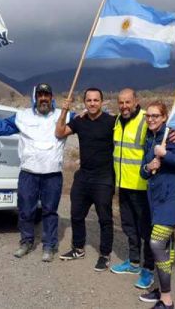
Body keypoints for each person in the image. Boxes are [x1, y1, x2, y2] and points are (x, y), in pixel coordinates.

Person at [0, 83, 69, 262]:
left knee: (50, 211)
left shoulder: (64, 115)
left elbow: (88, 122)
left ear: (52, 97)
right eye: (40, 95)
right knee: (25, 210)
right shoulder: (22, 116)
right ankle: (26, 242)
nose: (44, 98)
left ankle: (49, 246)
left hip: (52, 174)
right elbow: (1, 128)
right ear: (35, 97)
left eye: (47, 95)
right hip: (28, 173)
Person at [110, 88, 175, 289]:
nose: (124, 106)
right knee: (129, 227)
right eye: (121, 102)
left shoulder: (145, 118)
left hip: (143, 187)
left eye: (128, 102)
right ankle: (133, 262)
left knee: (146, 230)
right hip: (123, 184)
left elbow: (163, 129)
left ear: (136, 101)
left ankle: (148, 269)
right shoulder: (117, 120)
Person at [137, 101, 175, 309]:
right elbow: (144, 172)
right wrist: (148, 165)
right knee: (166, 246)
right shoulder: (149, 137)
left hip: (172, 199)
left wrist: (165, 155)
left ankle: (167, 300)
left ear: (164, 117)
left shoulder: (172, 136)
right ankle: (160, 290)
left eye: (155, 116)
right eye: (148, 116)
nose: (150, 119)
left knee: (156, 244)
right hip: (156, 200)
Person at [55, 88, 116, 272]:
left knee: (105, 219)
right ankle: (78, 248)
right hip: (83, 177)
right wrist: (64, 110)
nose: (92, 103)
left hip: (104, 178)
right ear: (84, 102)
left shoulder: (112, 121)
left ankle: (104, 255)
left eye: (96, 100)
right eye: (89, 100)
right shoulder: (79, 121)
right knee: (76, 214)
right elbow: (59, 132)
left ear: (102, 102)